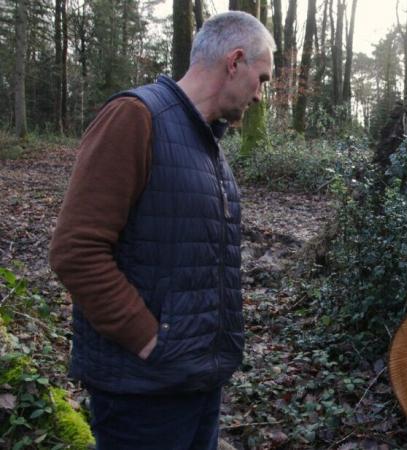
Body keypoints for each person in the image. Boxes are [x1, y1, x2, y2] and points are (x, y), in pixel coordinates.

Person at [49, 11, 274, 449]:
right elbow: (76, 251)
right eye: (261, 78)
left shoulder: (208, 144)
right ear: (235, 61)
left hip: (196, 384)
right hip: (142, 397)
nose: (261, 95)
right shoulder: (136, 117)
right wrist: (149, 340)